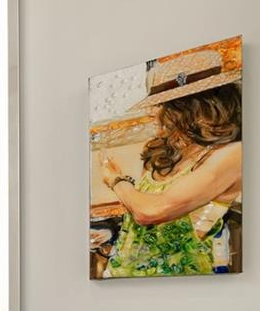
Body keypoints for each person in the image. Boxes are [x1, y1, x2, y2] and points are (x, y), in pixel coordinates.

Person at [100, 49, 241, 277]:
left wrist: (116, 180)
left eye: (161, 106)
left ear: (188, 109)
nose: (155, 114)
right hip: (123, 274)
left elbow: (153, 210)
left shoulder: (231, 154)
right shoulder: (164, 149)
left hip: (180, 277)